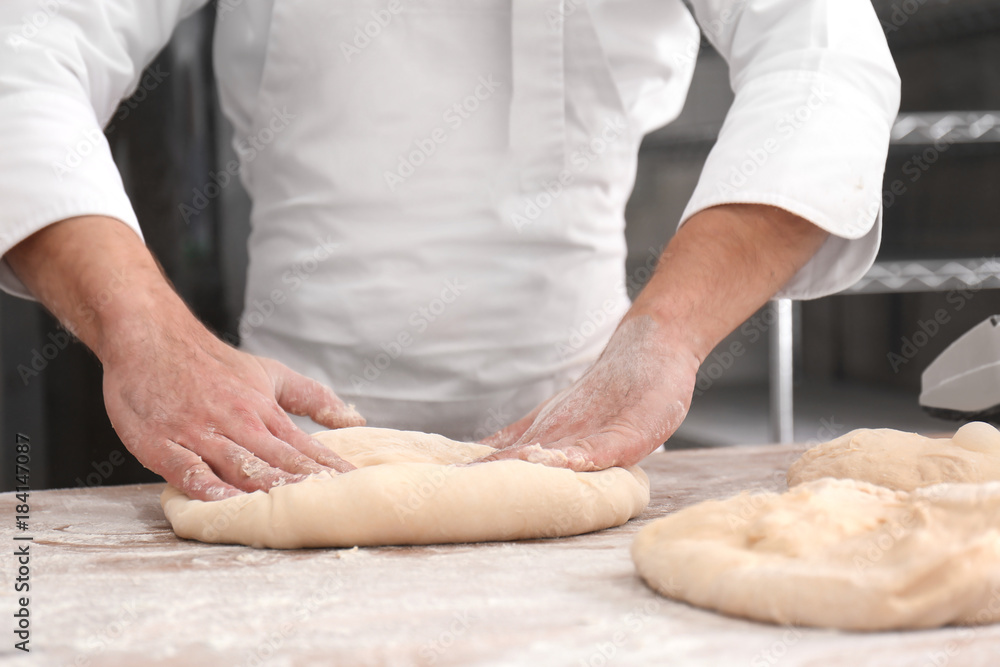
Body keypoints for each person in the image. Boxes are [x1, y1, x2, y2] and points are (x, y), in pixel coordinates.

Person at [0, 0, 899, 501]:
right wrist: (146, 332)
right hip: (276, 444)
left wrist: (667, 335)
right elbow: (23, 52)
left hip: (593, 431)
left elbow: (827, 60)